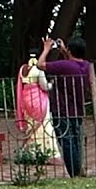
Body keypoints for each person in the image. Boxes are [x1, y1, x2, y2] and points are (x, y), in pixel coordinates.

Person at [39, 36, 92, 178]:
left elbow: (40, 64)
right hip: (78, 109)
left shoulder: (64, 65)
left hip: (62, 109)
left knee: (67, 141)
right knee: (76, 140)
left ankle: (74, 173)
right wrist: (64, 50)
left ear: (70, 50)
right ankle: (78, 170)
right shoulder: (86, 66)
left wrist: (46, 49)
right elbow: (72, 63)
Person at [16, 52, 61, 163]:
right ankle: (48, 153)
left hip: (27, 99)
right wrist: (52, 84)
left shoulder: (23, 69)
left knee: (30, 124)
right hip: (39, 100)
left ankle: (30, 153)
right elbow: (44, 86)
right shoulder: (38, 70)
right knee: (45, 125)